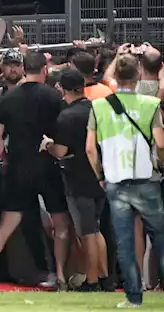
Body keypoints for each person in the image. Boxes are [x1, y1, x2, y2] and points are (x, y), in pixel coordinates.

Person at [0, 50, 71, 291]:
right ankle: (60, 275)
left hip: (19, 166)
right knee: (60, 223)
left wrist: (6, 159)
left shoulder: (9, 98)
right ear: (45, 70)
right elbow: (63, 130)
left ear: (24, 68)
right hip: (48, 165)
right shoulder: (53, 97)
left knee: (7, 223)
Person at [86, 53, 164, 308]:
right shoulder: (150, 104)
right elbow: (160, 143)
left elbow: (89, 148)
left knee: (125, 242)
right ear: (138, 74)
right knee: (160, 237)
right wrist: (160, 162)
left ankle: (133, 297)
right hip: (146, 178)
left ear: (115, 77)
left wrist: (99, 175)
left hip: (115, 181)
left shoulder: (99, 106)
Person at [42, 68, 108, 292]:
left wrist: (48, 145)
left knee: (86, 232)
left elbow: (61, 151)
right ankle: (104, 275)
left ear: (62, 89)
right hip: (100, 176)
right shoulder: (97, 108)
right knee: (96, 229)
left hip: (78, 179)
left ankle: (92, 281)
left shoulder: (67, 116)